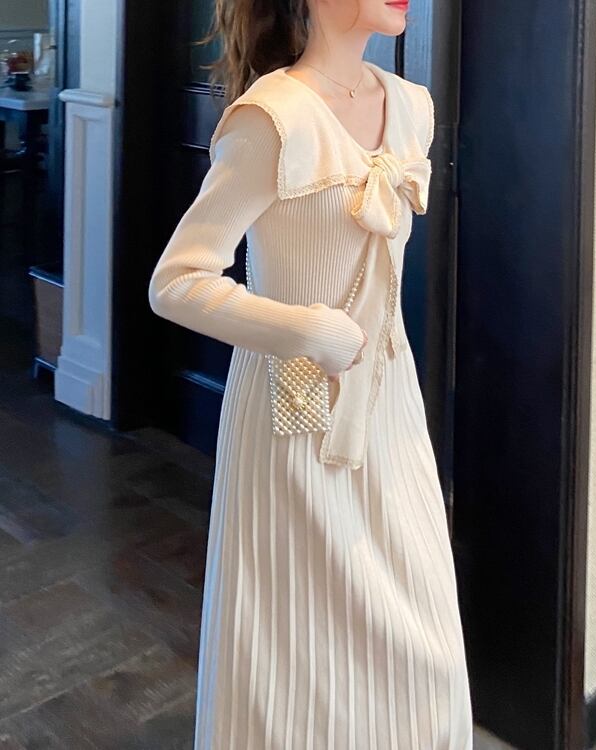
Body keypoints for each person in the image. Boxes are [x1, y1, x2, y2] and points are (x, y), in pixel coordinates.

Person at [147, 0, 473, 747]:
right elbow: (177, 281)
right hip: (292, 421)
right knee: (293, 658)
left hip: (390, 412)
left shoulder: (411, 107)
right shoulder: (274, 118)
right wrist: (306, 329)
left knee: (425, 647)